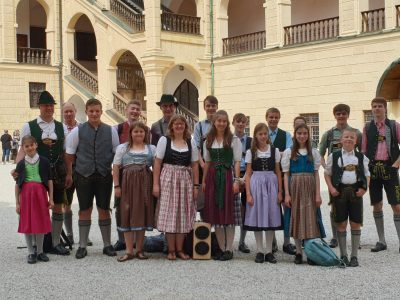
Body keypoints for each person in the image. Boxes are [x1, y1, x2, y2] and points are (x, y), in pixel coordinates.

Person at [16, 91, 70, 256]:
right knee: (33, 206)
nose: (48, 108)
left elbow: (66, 152)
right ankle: (34, 245)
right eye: (45, 105)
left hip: (57, 171)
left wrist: (69, 173)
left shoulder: (61, 127)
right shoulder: (29, 126)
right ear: (39, 107)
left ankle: (54, 242)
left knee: (58, 206)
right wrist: (18, 170)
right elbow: (22, 149)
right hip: (36, 171)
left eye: (51, 105)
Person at [65, 98, 119, 259]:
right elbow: (69, 154)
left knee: (104, 209)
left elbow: (116, 154)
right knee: (84, 209)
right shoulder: (77, 131)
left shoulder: (111, 131)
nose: (94, 114)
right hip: (83, 176)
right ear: (86, 112)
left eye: (97, 111)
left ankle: (107, 244)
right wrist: (70, 174)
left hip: (103, 175)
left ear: (101, 112)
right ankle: (82, 246)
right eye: (91, 111)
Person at [153, 115, 199, 260]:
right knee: (169, 214)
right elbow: (157, 163)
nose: (179, 126)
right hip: (168, 179)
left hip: (185, 180)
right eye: (176, 124)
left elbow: (195, 165)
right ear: (171, 126)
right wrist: (155, 184)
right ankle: (171, 250)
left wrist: (196, 186)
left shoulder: (190, 142)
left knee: (182, 214)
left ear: (185, 126)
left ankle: (179, 249)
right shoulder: (164, 140)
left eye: (182, 124)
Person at [324, 128, 370, 267]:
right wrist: (331, 188)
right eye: (346, 137)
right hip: (339, 192)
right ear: (341, 140)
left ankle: (354, 256)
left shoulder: (362, 157)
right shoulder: (334, 155)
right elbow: (327, 173)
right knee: (341, 223)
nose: (349, 139)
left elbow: (367, 175)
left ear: (356, 141)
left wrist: (364, 189)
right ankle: (343, 255)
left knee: (355, 222)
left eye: (352, 137)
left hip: (356, 192)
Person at [319, 104, 362, 248]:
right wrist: (326, 169)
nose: (341, 116)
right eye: (338, 113)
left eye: (343, 113)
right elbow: (320, 154)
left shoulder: (356, 133)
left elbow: (362, 154)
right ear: (334, 115)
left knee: (354, 206)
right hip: (335, 177)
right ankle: (335, 237)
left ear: (348, 114)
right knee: (335, 207)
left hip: (352, 175)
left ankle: (355, 236)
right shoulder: (329, 134)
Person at [361, 97, 400, 253]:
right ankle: (381, 240)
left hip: (390, 168)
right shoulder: (367, 127)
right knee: (377, 205)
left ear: (385, 109)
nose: (377, 109)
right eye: (374, 106)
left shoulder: (394, 125)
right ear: (372, 109)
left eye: (379, 106)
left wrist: (396, 163)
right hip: (373, 169)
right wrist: (364, 171)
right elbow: (363, 151)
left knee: (397, 205)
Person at [202, 110, 241, 261]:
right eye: (219, 121)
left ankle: (229, 249)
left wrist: (237, 180)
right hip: (212, 177)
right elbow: (207, 163)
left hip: (227, 176)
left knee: (228, 213)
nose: (222, 123)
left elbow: (237, 161)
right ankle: (222, 247)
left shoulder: (233, 139)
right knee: (216, 213)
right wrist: (204, 181)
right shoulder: (208, 140)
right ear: (214, 122)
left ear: (227, 123)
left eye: (224, 121)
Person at [113, 121, 155, 261]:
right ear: (131, 133)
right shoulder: (123, 148)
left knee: (142, 213)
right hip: (127, 184)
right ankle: (129, 250)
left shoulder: (151, 148)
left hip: (145, 184)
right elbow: (116, 167)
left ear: (145, 133)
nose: (138, 134)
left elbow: (156, 168)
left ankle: (139, 250)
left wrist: (156, 185)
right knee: (127, 212)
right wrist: (117, 186)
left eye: (141, 131)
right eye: (136, 131)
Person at [281, 124, 322, 264]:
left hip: (310, 187)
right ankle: (298, 252)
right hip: (295, 187)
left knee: (310, 219)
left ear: (308, 135)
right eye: (299, 133)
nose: (302, 136)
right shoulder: (289, 152)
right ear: (295, 134)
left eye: (305, 133)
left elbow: (316, 174)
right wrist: (287, 194)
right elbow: (286, 175)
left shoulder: (314, 152)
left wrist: (318, 194)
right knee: (296, 218)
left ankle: (310, 252)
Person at [243, 123, 283, 263]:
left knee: (271, 215)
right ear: (256, 135)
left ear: (268, 135)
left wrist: (280, 191)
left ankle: (269, 251)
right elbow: (248, 174)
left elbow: (278, 172)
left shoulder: (274, 150)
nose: (263, 136)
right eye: (260, 134)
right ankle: (259, 250)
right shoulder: (250, 152)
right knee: (258, 216)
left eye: (265, 133)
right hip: (256, 183)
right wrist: (248, 194)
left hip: (271, 183)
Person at [15, 135, 53, 264]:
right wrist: (17, 202)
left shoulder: (44, 161)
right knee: (28, 223)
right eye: (26, 146)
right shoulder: (21, 164)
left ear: (36, 145)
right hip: (26, 195)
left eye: (31, 145)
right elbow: (17, 184)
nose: (30, 148)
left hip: (40, 194)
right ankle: (31, 252)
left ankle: (41, 251)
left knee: (40, 222)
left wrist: (51, 198)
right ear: (23, 148)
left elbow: (49, 180)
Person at [266, 107, 296, 255]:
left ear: (279, 118)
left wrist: (272, 153)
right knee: (270, 209)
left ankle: (286, 242)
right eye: (271, 117)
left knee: (287, 208)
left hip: (283, 175)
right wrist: (280, 153)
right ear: (267, 118)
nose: (273, 119)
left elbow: (289, 153)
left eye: (276, 117)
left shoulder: (286, 135)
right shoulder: (262, 133)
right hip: (266, 176)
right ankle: (272, 242)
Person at [232, 113, 252, 253]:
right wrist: (235, 178)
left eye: (243, 122)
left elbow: (253, 160)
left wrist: (244, 178)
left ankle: (242, 241)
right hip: (232, 176)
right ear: (233, 123)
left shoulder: (251, 141)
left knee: (245, 209)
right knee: (231, 208)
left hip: (247, 175)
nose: (240, 124)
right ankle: (228, 240)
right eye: (238, 122)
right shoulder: (229, 139)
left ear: (246, 124)